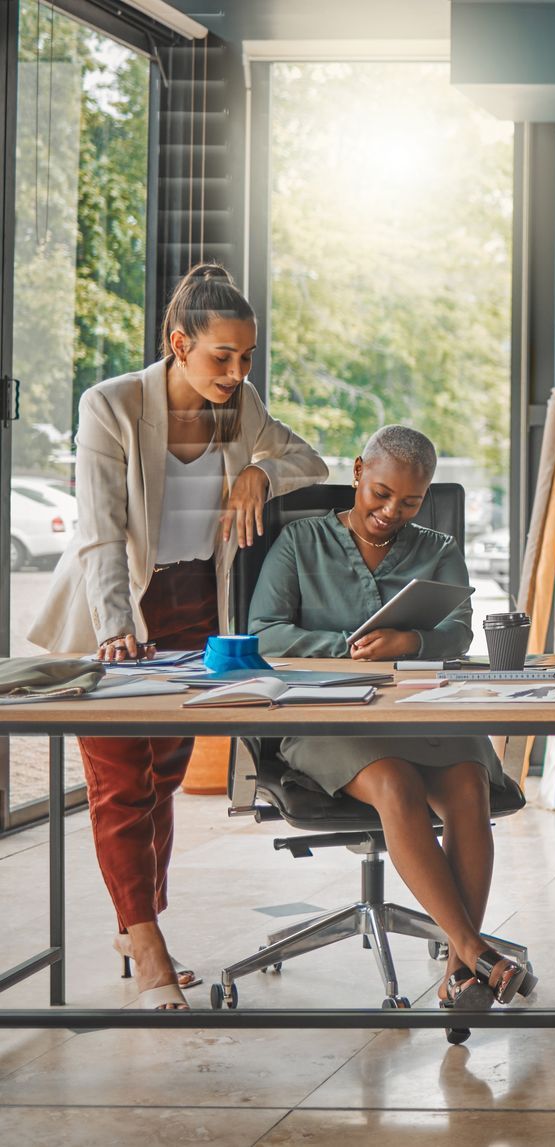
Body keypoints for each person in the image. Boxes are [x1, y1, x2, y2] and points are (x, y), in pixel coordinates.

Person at [28, 263, 328, 1011]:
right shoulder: (114, 405)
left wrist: (258, 471)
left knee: (162, 775)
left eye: (247, 357)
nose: (237, 371)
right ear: (178, 343)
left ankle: (140, 923)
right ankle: (147, 935)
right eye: (222, 356)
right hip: (117, 609)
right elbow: (100, 531)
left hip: (198, 608)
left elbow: (310, 460)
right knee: (120, 779)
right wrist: (116, 630)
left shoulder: (239, 406)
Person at [248, 425, 534, 1010]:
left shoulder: (438, 549)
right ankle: (474, 954)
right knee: (395, 781)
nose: (390, 511)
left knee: (467, 782)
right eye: (380, 493)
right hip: (328, 716)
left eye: (408, 501)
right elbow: (263, 632)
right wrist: (344, 647)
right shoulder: (300, 543)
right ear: (357, 472)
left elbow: (456, 631)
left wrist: (410, 639)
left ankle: (461, 972)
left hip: (420, 710)